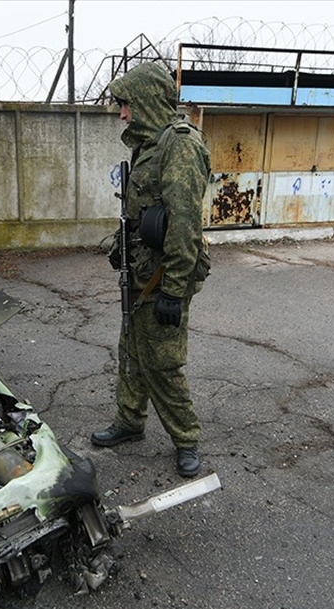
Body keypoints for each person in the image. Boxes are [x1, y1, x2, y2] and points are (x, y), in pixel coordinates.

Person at [91, 61, 211, 478]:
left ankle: (186, 439)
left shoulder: (178, 145)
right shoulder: (147, 145)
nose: (122, 113)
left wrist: (174, 291)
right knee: (132, 348)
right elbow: (143, 211)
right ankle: (130, 421)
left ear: (144, 101)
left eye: (126, 104)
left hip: (165, 276)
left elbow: (184, 226)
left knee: (161, 359)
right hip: (142, 271)